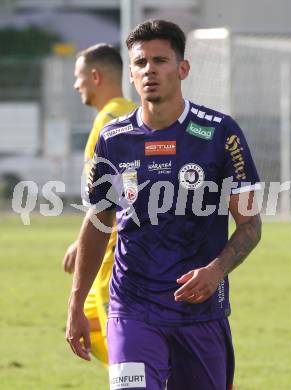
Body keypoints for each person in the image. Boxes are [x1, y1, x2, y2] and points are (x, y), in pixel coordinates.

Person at [66, 20, 262, 389]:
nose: (150, 70)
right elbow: (98, 221)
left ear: (182, 68)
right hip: (132, 310)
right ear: (131, 73)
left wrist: (217, 270)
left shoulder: (220, 133)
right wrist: (76, 303)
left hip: (200, 313)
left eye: (160, 60)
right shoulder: (114, 139)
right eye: (141, 63)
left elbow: (250, 225)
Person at [63, 43, 137, 366]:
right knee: (91, 336)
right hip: (119, 251)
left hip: (114, 264)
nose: (76, 84)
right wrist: (82, 242)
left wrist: (94, 239)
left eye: (79, 76)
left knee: (128, 360)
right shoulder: (134, 112)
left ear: (95, 76)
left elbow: (115, 201)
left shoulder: (107, 124)